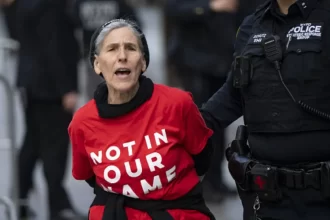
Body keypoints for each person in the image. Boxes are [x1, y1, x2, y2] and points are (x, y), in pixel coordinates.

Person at [68, 19, 216, 220]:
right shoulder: (82, 122)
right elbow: (88, 176)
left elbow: (202, 156)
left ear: (143, 62)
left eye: (130, 48)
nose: (122, 57)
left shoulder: (176, 103)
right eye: (112, 49)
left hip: (180, 212)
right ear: (97, 64)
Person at [200, 0, 330, 219]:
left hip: (322, 198)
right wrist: (186, 124)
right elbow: (233, 94)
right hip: (265, 198)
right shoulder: (252, 24)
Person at [13, 0, 84, 219]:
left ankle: (20, 200)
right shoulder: (51, 5)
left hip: (34, 82)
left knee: (33, 144)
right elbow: (55, 45)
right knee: (53, 148)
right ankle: (57, 206)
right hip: (50, 87)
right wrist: (67, 89)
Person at [165, 0, 238, 202]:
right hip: (194, 62)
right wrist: (210, 7)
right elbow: (173, 9)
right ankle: (200, 183)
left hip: (221, 60)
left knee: (219, 125)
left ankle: (216, 179)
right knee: (199, 124)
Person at [72, 0, 141, 99]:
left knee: (116, 90)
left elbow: (132, 23)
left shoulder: (117, 3)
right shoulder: (81, 3)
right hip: (93, 55)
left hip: (114, 54)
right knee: (96, 93)